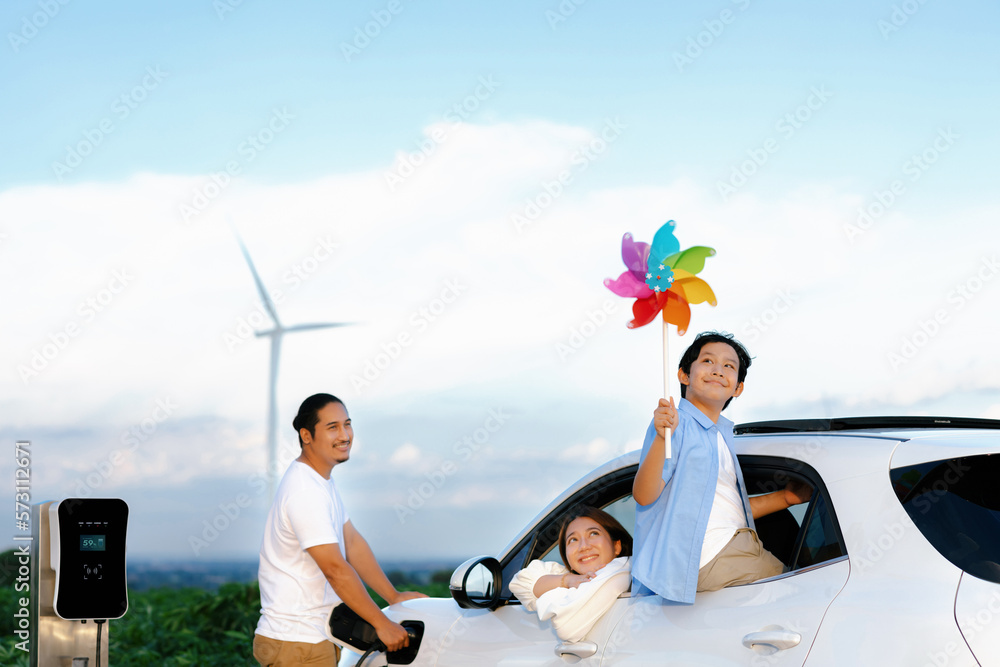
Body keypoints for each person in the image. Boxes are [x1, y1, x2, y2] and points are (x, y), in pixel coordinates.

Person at [631, 332, 811, 605]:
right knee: (802, 596)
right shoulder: (674, 425)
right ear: (683, 375)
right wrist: (659, 436)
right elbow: (645, 495)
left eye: (729, 366)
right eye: (707, 361)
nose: (718, 370)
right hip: (712, 552)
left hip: (729, 547)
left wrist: (785, 498)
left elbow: (721, 509)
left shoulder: (721, 436)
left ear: (737, 387)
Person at [254, 393, 427, 666]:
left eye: (347, 424)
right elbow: (335, 569)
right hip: (297, 643)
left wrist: (393, 596)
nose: (345, 435)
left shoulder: (320, 482)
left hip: (315, 639)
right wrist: (381, 623)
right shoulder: (305, 490)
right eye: (332, 427)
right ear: (306, 435)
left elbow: (352, 542)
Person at [509, 506, 633, 642]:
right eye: (573, 540)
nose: (584, 546)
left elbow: (566, 626)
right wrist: (568, 580)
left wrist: (554, 593)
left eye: (593, 534)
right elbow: (520, 582)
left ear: (617, 546)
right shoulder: (576, 578)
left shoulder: (621, 569)